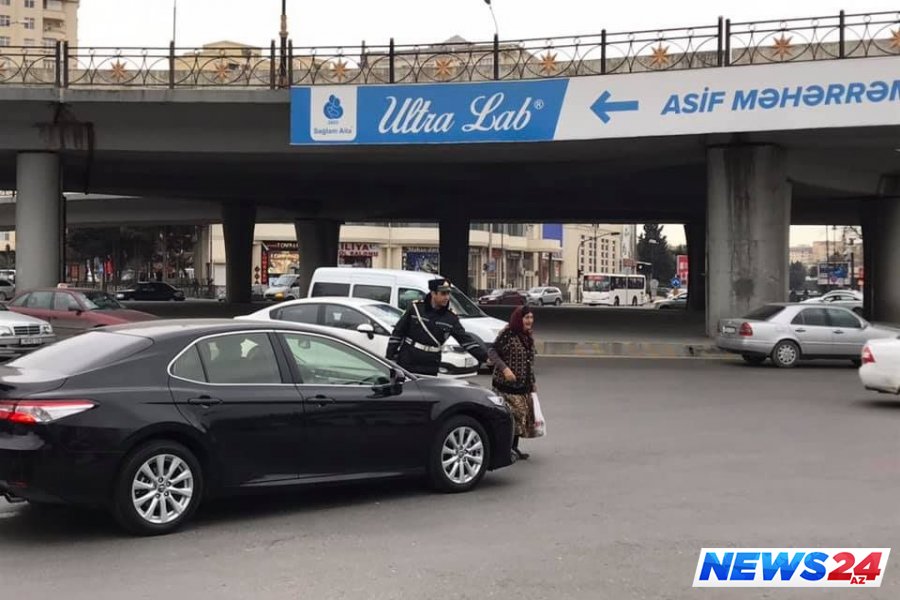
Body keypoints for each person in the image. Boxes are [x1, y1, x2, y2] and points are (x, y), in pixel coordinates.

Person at [387, 278, 488, 376]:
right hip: (408, 360)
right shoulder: (416, 309)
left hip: (430, 364)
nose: (447, 297)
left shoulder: (451, 318)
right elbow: (398, 332)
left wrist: (486, 358)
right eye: (443, 294)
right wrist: (390, 357)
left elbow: (466, 341)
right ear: (433, 293)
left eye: (448, 294)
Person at [488, 305, 538, 460]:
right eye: (526, 318)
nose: (529, 321)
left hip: (522, 385)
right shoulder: (508, 333)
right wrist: (505, 369)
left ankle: (513, 448)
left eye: (531, 317)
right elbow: (492, 352)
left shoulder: (527, 336)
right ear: (519, 319)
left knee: (520, 417)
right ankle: (505, 449)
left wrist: (533, 382)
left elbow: (529, 361)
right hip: (506, 386)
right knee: (511, 417)